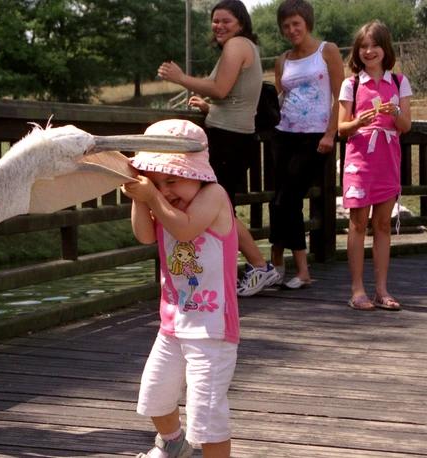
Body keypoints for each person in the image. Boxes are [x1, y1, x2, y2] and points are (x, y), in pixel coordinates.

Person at [121, 119, 238, 458]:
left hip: (211, 330)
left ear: (198, 172)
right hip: (173, 323)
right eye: (156, 181)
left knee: (207, 417)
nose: (165, 189)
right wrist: (140, 197)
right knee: (155, 395)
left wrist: (153, 197)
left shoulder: (213, 196)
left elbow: (185, 231)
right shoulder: (164, 203)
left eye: (171, 179)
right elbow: (145, 234)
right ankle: (173, 444)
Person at [157, 0, 279, 297]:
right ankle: (242, 269)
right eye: (215, 21)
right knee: (221, 207)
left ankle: (259, 266)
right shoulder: (242, 47)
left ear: (240, 22)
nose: (219, 26)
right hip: (234, 136)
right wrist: (209, 108)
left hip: (230, 140)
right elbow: (233, 97)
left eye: (226, 20)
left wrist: (181, 78)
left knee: (219, 209)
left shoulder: (237, 45)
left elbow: (222, 89)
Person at [268, 0, 344, 289]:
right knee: (279, 200)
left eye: (296, 24)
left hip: (315, 137)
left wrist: (330, 133)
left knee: (287, 200)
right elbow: (278, 99)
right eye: (286, 26)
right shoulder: (283, 59)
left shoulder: (328, 51)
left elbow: (342, 96)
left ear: (307, 23)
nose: (291, 30)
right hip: (283, 134)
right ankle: (279, 266)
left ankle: (298, 270)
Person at [337, 20, 412, 311]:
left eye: (375, 45)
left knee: (382, 224)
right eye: (363, 46)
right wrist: (359, 121)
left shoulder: (398, 82)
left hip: (387, 159)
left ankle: (382, 290)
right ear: (357, 51)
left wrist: (394, 112)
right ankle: (357, 290)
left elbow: (404, 125)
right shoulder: (351, 83)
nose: (369, 51)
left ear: (385, 48)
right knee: (357, 223)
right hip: (359, 160)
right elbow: (342, 127)